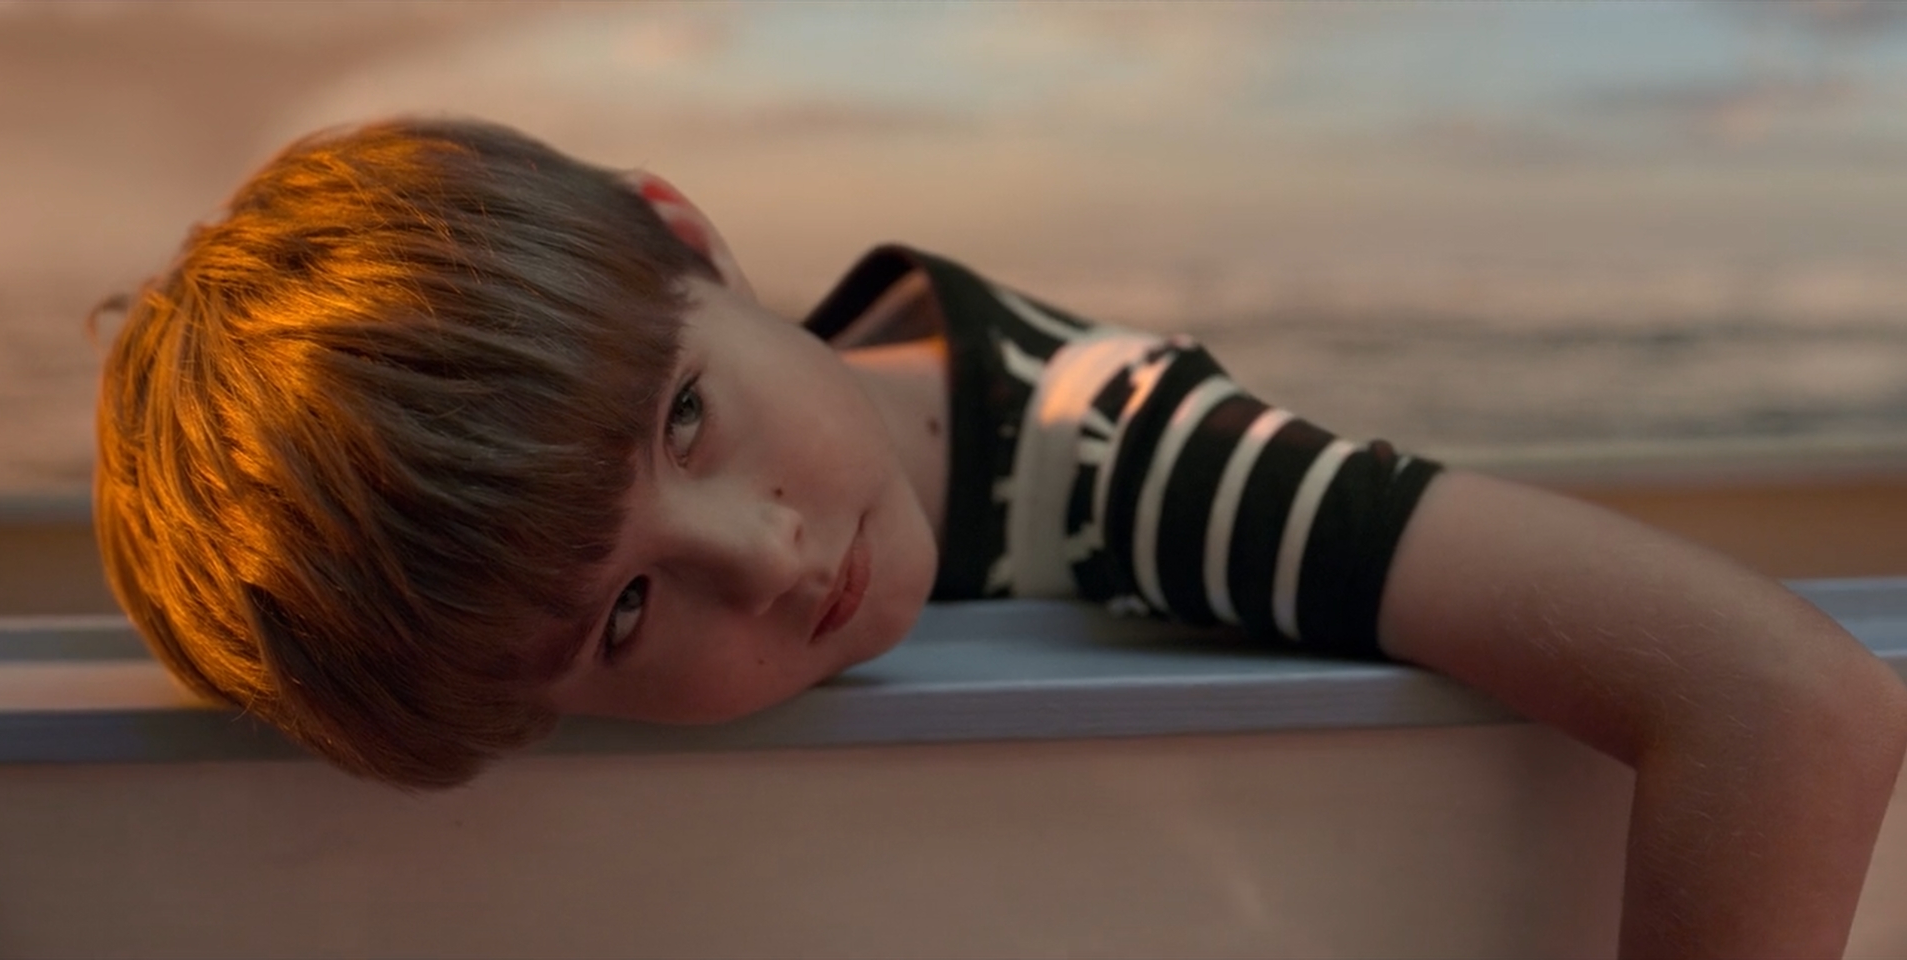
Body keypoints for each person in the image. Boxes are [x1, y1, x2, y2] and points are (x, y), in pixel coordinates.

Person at [94, 118, 1905, 957]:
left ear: (686, 236)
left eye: (689, 418)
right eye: (631, 613)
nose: (769, 556)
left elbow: (1791, 704)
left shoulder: (1118, 454)